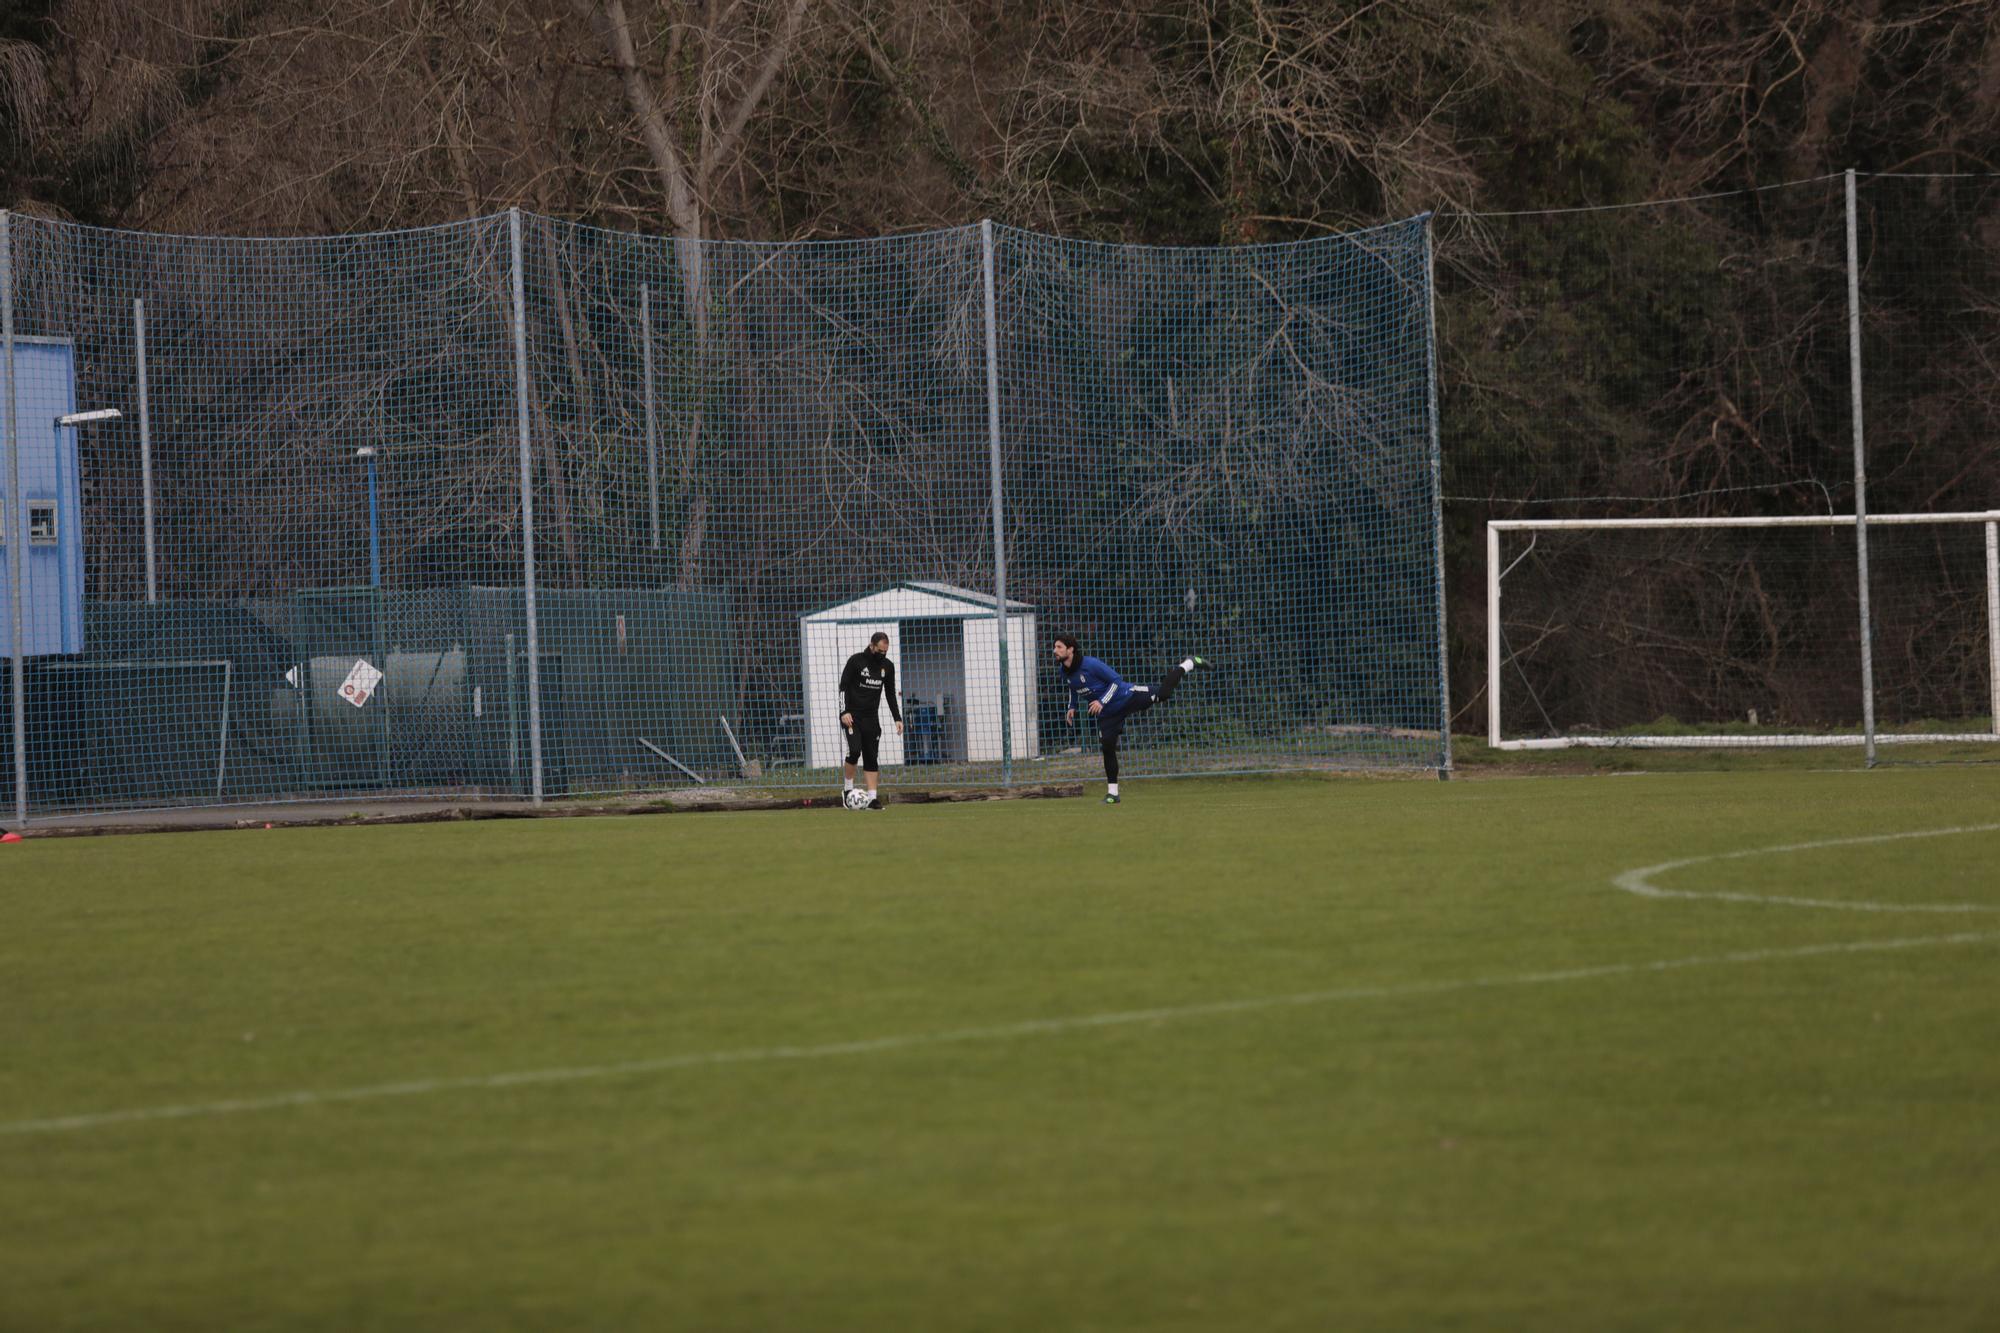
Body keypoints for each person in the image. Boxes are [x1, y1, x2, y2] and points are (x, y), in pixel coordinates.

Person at [1052, 633, 1205, 804]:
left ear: (1070, 649)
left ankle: (1188, 663)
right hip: (1108, 715)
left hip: (1126, 697)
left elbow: (1116, 681)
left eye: (1059, 647)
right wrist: (1071, 707)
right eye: (1055, 647)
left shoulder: (1090, 664)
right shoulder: (1064, 671)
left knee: (1164, 694)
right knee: (1107, 748)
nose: (1055, 651)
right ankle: (1113, 794)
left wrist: (1102, 701)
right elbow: (1073, 687)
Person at [839, 632, 903, 809]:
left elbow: (890, 694)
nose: (882, 654)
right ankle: (847, 790)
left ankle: (872, 798)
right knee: (854, 750)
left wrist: (897, 718)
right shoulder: (856, 661)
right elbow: (843, 687)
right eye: (880, 650)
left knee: (871, 756)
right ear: (872, 645)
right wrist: (844, 711)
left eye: (885, 651)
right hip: (851, 716)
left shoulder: (887, 667)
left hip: (871, 718)